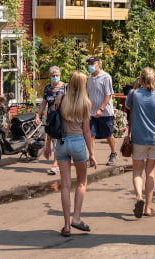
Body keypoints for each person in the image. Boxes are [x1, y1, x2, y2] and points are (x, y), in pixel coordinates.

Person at [44, 71, 97, 237]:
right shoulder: (86, 103)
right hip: (78, 142)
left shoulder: (60, 99)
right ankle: (76, 218)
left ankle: (66, 225)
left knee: (65, 185)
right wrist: (92, 153)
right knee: (81, 182)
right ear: (83, 85)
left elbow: (52, 121)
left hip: (61, 142)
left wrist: (47, 144)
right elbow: (86, 131)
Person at [124, 67, 155, 218]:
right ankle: (148, 208)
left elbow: (127, 106)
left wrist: (134, 87)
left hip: (139, 139)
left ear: (141, 79)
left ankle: (139, 198)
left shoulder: (134, 94)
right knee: (150, 172)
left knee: (137, 172)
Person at [85, 56, 117, 165]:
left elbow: (108, 95)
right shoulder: (89, 78)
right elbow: (88, 94)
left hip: (105, 112)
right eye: (89, 64)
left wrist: (101, 109)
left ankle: (113, 153)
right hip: (92, 112)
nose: (90, 66)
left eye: (93, 63)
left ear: (98, 64)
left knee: (108, 135)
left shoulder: (106, 77)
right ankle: (92, 156)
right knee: (91, 135)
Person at [35, 66, 65, 175]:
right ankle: (59, 162)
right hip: (51, 117)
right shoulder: (47, 88)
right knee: (51, 139)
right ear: (50, 76)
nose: (55, 77)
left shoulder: (65, 87)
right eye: (53, 76)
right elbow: (44, 102)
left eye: (57, 75)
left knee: (57, 140)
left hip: (62, 118)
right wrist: (38, 115)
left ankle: (55, 164)